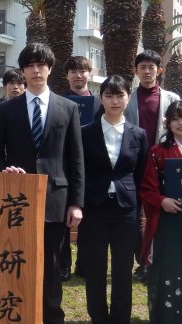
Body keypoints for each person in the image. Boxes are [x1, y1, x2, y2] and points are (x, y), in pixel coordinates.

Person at [0, 42, 84, 324]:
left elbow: (76, 159)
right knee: (17, 266)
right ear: (23, 71)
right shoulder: (6, 110)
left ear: (50, 69)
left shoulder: (67, 108)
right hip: (17, 201)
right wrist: (5, 169)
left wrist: (76, 203)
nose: (36, 70)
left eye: (41, 64)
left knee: (52, 268)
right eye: (30, 65)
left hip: (55, 200)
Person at [81, 75, 148, 324]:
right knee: (95, 268)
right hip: (94, 208)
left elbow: (141, 174)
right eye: (109, 95)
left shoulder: (138, 134)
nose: (114, 101)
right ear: (101, 99)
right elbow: (80, 171)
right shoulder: (86, 132)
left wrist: (141, 210)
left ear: (128, 98)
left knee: (122, 270)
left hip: (126, 210)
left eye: (119, 95)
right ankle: (98, 322)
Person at [140, 100, 182, 324]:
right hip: (167, 220)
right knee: (168, 267)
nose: (181, 123)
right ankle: (169, 322)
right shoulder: (157, 151)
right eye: (176, 118)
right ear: (168, 122)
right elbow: (147, 188)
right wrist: (161, 201)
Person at [125, 50, 180, 283]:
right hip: (134, 163)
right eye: (142, 67)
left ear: (159, 70)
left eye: (151, 67)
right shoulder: (128, 98)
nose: (147, 71)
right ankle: (141, 261)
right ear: (135, 71)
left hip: (162, 164)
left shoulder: (172, 99)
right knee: (134, 216)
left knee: (157, 215)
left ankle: (157, 261)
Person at [61, 56, 104, 281]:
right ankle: (63, 265)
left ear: (89, 73)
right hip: (64, 167)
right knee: (62, 218)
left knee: (90, 219)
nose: (78, 75)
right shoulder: (58, 101)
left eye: (83, 71)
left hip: (93, 168)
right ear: (66, 75)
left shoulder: (100, 103)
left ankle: (84, 264)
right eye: (73, 71)